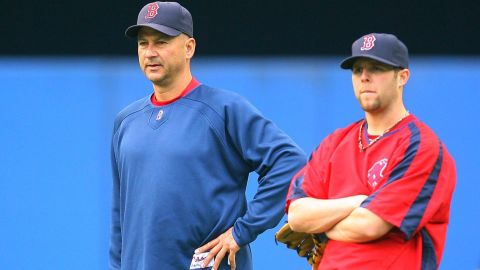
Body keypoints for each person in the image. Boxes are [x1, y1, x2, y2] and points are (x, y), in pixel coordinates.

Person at [109, 2, 306, 270]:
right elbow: (121, 216)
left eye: (162, 41)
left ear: (189, 47)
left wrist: (241, 231)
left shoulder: (222, 109)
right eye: (143, 43)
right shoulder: (126, 121)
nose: (150, 52)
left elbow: (290, 162)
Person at [286, 33, 456, 269]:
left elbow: (369, 225)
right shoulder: (334, 143)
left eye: (376, 68)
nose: (364, 77)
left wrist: (322, 226)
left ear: (402, 77)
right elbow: (297, 216)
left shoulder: (421, 147)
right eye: (357, 70)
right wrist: (358, 202)